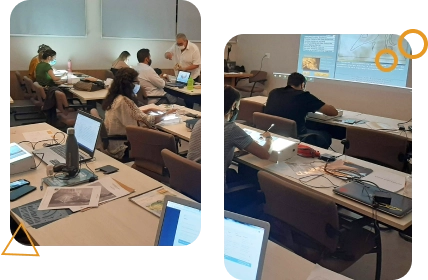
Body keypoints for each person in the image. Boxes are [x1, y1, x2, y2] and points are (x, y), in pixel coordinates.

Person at [101, 68, 176, 160]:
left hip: (112, 142)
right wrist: (166, 115)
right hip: (123, 146)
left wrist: (147, 110)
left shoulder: (115, 98)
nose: (138, 85)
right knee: (166, 139)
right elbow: (146, 121)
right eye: (137, 82)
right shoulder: (124, 101)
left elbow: (130, 114)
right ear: (129, 84)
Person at [264, 72, 338, 149]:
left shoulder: (274, 92)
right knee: (326, 135)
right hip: (295, 136)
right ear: (303, 85)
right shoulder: (304, 96)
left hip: (273, 133)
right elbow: (333, 112)